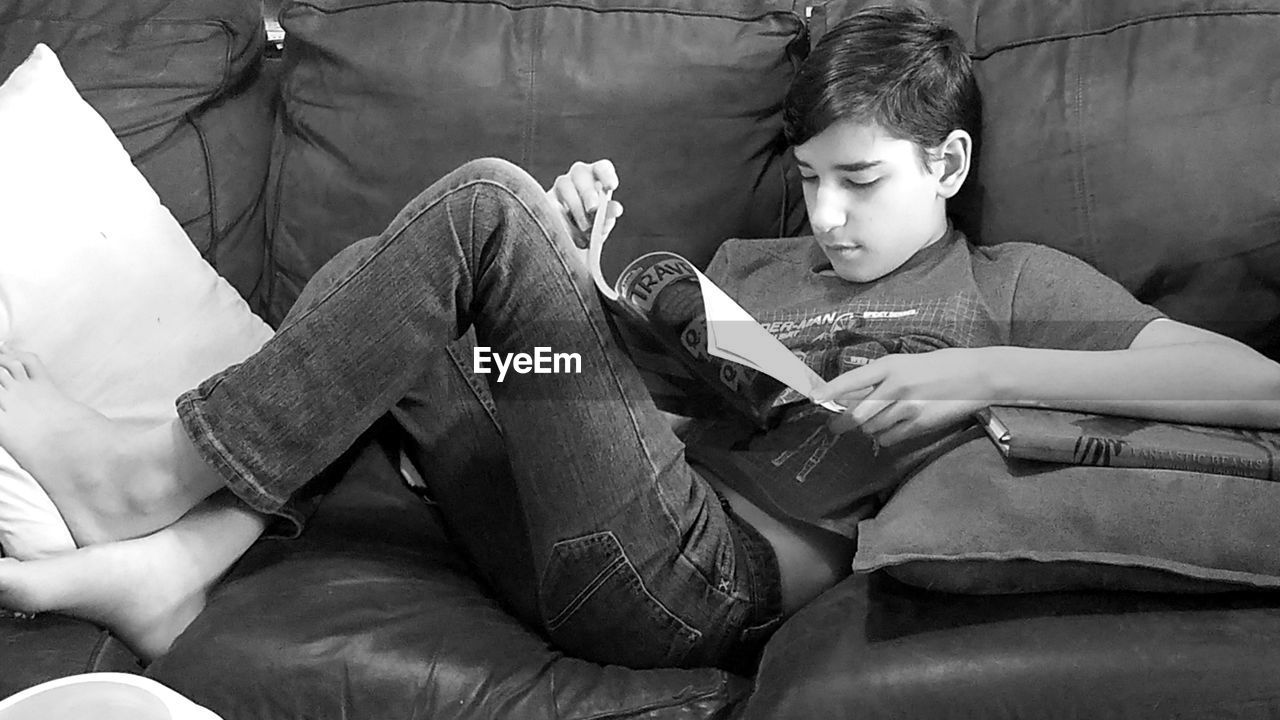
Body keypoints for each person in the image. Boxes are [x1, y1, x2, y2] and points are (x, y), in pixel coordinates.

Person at [1, 5, 1278, 671]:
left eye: (861, 180)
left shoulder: (1007, 285)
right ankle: (178, 568)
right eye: (808, 178)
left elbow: (1248, 382)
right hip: (588, 513)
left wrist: (982, 371)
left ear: (944, 160)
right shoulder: (751, 269)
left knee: (480, 199)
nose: (824, 218)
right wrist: (567, 291)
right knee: (370, 273)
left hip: (696, 585)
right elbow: (579, 403)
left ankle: (153, 475)